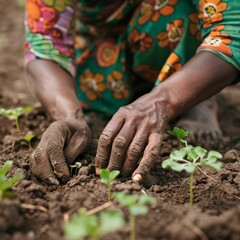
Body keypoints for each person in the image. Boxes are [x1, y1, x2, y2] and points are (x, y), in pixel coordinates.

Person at [25, 0, 239, 185]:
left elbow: (232, 28)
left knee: (179, 13)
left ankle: (195, 96)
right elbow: (44, 45)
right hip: (101, 52)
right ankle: (136, 101)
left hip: (170, 30)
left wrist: (162, 102)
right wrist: (69, 116)